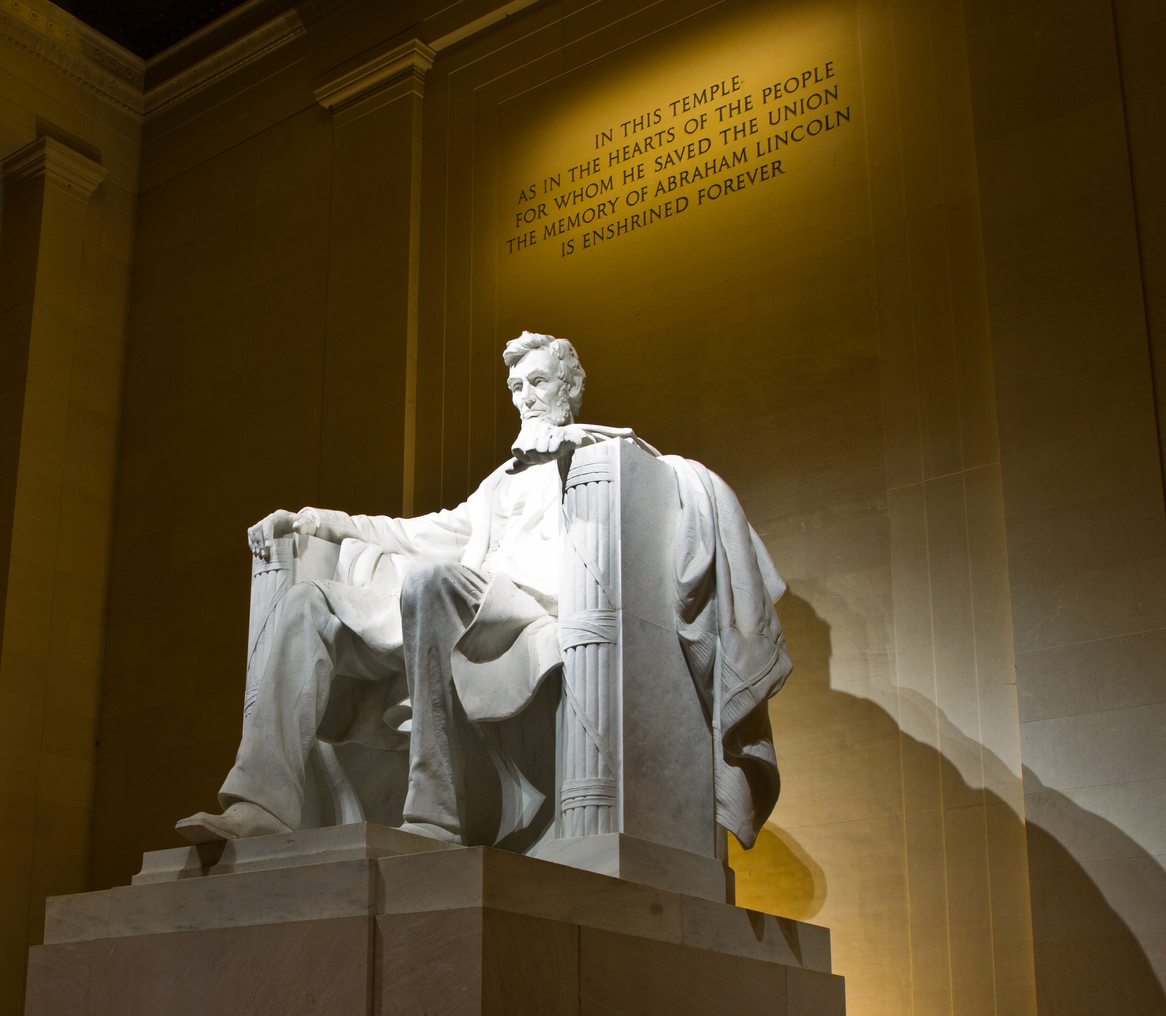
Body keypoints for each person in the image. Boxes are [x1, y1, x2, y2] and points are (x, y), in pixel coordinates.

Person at [176, 331, 792, 851]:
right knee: (309, 603)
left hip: (531, 607)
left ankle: (436, 813)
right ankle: (262, 803)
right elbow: (419, 531)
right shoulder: (498, 484)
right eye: (517, 388)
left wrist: (578, 452)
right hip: (456, 597)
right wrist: (320, 520)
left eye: (539, 383)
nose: (526, 398)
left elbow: (657, 489)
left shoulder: (608, 453)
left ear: (569, 388)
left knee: (431, 582)